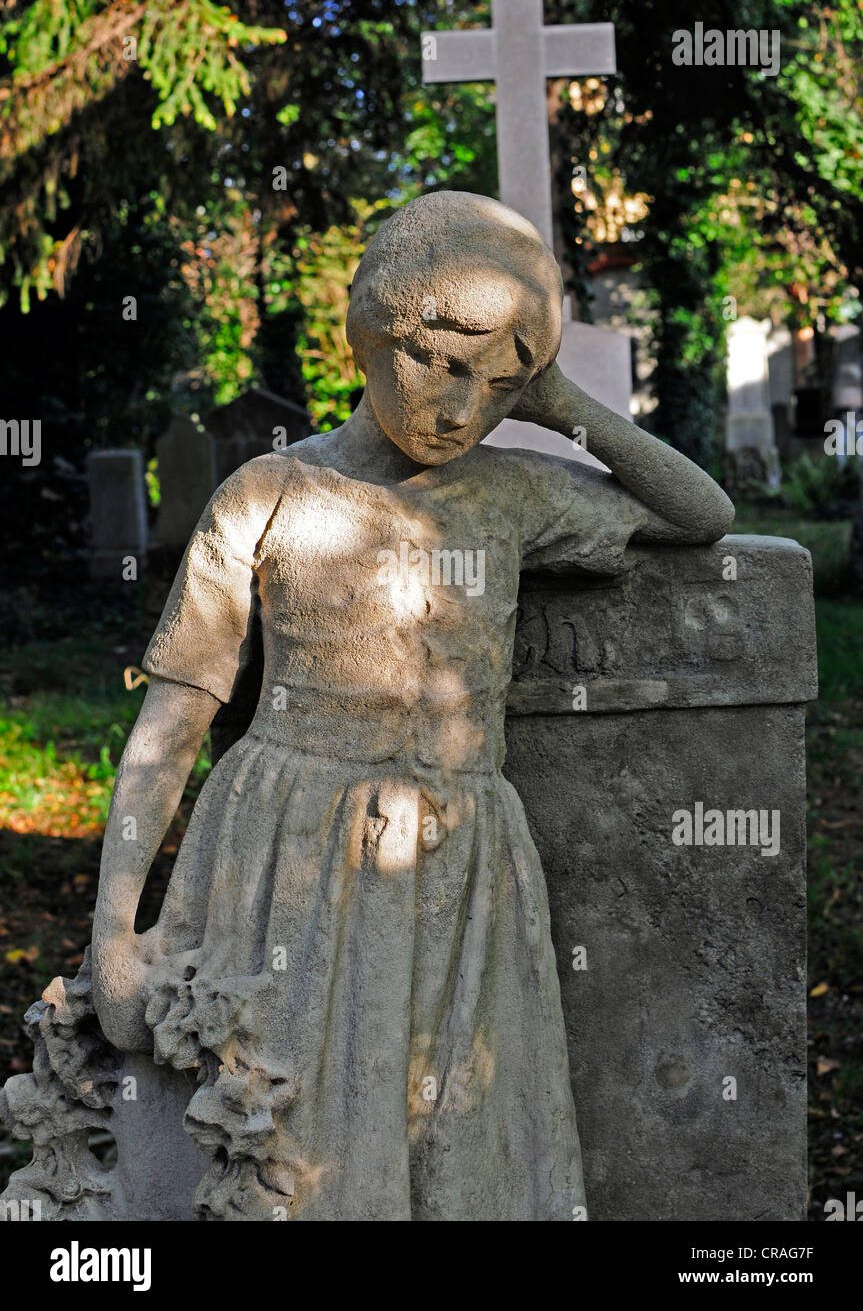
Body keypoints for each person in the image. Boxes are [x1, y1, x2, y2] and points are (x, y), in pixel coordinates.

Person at [91, 191, 734, 1220]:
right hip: (283, 853)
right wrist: (113, 933)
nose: (457, 406)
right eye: (438, 361)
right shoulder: (270, 492)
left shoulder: (513, 493)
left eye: (497, 383)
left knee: (455, 1137)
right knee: (287, 1137)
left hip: (456, 856)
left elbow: (702, 512)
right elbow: (172, 720)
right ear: (371, 331)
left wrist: (562, 403)